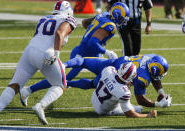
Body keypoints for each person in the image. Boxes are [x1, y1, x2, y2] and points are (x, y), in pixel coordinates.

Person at [0, 0, 77, 125]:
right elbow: (59, 33)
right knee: (61, 85)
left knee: (14, 85)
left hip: (30, 50)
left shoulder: (45, 18)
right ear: (69, 12)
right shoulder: (69, 19)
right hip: (46, 54)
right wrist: (56, 54)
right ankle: (41, 105)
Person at [20, 54, 172, 108]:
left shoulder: (151, 58)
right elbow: (140, 100)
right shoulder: (142, 78)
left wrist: (161, 92)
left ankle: (63, 65)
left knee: (82, 61)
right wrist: (158, 104)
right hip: (110, 75)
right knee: (74, 82)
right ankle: (62, 73)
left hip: (111, 64)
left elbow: (156, 76)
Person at [66, 2, 130, 81]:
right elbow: (93, 42)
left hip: (85, 50)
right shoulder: (110, 26)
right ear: (116, 16)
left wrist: (92, 32)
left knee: (106, 76)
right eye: (122, 19)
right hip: (88, 53)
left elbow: (85, 22)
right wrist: (107, 52)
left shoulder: (104, 14)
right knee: (108, 76)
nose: (123, 22)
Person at [82, 0, 153, 56]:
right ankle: (126, 68)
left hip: (136, 22)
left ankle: (133, 68)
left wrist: (149, 24)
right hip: (121, 21)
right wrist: (106, 19)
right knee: (127, 47)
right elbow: (110, 6)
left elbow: (148, 7)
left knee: (137, 48)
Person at [91, 63, 157, 118]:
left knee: (117, 97)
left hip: (94, 98)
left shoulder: (108, 70)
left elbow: (112, 81)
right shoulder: (123, 92)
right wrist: (148, 115)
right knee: (138, 109)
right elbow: (130, 114)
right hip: (102, 110)